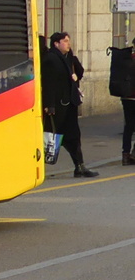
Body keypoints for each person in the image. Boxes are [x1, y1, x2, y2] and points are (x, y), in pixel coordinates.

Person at [43, 31, 96, 177]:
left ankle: (80, 166)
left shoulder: (68, 58)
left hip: (69, 104)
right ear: (56, 43)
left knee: (73, 136)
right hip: (58, 106)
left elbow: (79, 72)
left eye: (68, 41)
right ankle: (41, 167)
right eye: (65, 41)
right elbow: (49, 83)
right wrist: (50, 105)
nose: (68, 43)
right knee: (51, 136)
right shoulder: (51, 58)